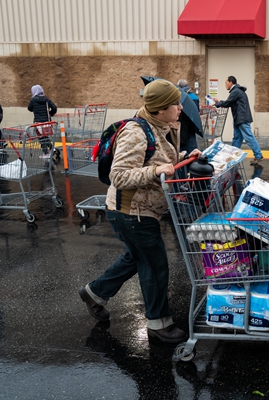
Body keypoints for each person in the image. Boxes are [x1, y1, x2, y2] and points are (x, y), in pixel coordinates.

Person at [79, 80, 202, 344]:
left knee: (136, 257)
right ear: (159, 109)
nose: (181, 107)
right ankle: (159, 324)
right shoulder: (136, 132)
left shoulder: (162, 126)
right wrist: (155, 171)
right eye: (175, 104)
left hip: (142, 209)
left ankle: (94, 293)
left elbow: (157, 159)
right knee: (155, 263)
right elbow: (119, 175)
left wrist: (185, 156)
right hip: (131, 211)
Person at [213, 76, 263, 165]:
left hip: (242, 119)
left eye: (226, 83)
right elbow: (230, 102)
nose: (225, 85)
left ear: (231, 82)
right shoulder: (237, 91)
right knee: (237, 138)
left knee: (248, 137)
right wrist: (219, 102)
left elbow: (228, 103)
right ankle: (233, 157)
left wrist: (217, 104)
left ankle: (258, 155)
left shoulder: (235, 91)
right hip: (239, 119)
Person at [27, 85, 57, 156]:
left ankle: (46, 152)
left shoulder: (33, 100)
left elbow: (29, 108)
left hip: (38, 123)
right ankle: (52, 148)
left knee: (41, 138)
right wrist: (50, 114)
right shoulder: (46, 99)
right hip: (46, 122)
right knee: (45, 136)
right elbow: (54, 108)